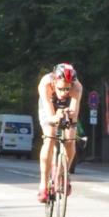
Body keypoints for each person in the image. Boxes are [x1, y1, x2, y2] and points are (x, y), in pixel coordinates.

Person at [37, 63, 83, 202]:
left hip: (67, 107)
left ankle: (64, 173)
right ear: (54, 81)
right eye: (61, 88)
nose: (63, 93)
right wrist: (56, 117)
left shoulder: (77, 87)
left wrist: (69, 116)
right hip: (49, 105)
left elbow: (74, 114)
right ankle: (43, 185)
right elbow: (50, 116)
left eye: (67, 89)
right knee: (50, 137)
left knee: (70, 139)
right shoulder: (45, 84)